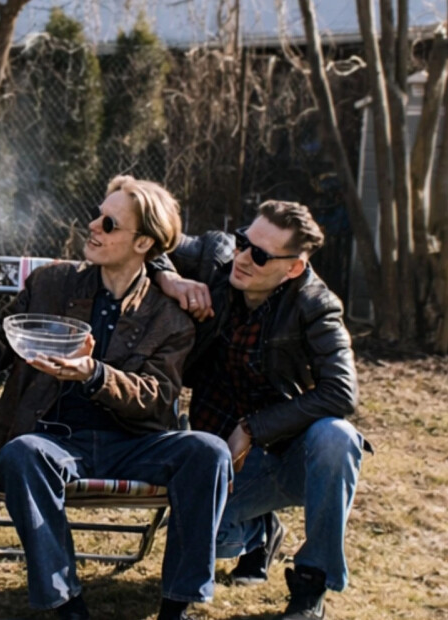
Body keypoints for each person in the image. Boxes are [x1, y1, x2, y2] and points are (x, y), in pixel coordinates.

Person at [0, 176, 232, 620]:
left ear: (143, 242)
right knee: (20, 454)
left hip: (133, 444)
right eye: (97, 214)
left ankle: (177, 606)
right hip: (55, 441)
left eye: (109, 223)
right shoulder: (52, 285)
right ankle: (68, 604)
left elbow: (158, 400)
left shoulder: (169, 317)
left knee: (209, 452)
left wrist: (94, 374)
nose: (93, 226)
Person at [151, 200, 366, 620]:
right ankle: (260, 531)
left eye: (261, 254)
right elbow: (149, 234)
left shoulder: (315, 304)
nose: (243, 257)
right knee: (210, 543)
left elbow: (342, 393)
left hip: (285, 456)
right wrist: (169, 278)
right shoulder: (216, 257)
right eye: (244, 241)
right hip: (218, 459)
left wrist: (253, 427)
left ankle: (310, 584)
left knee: (337, 438)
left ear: (292, 269)